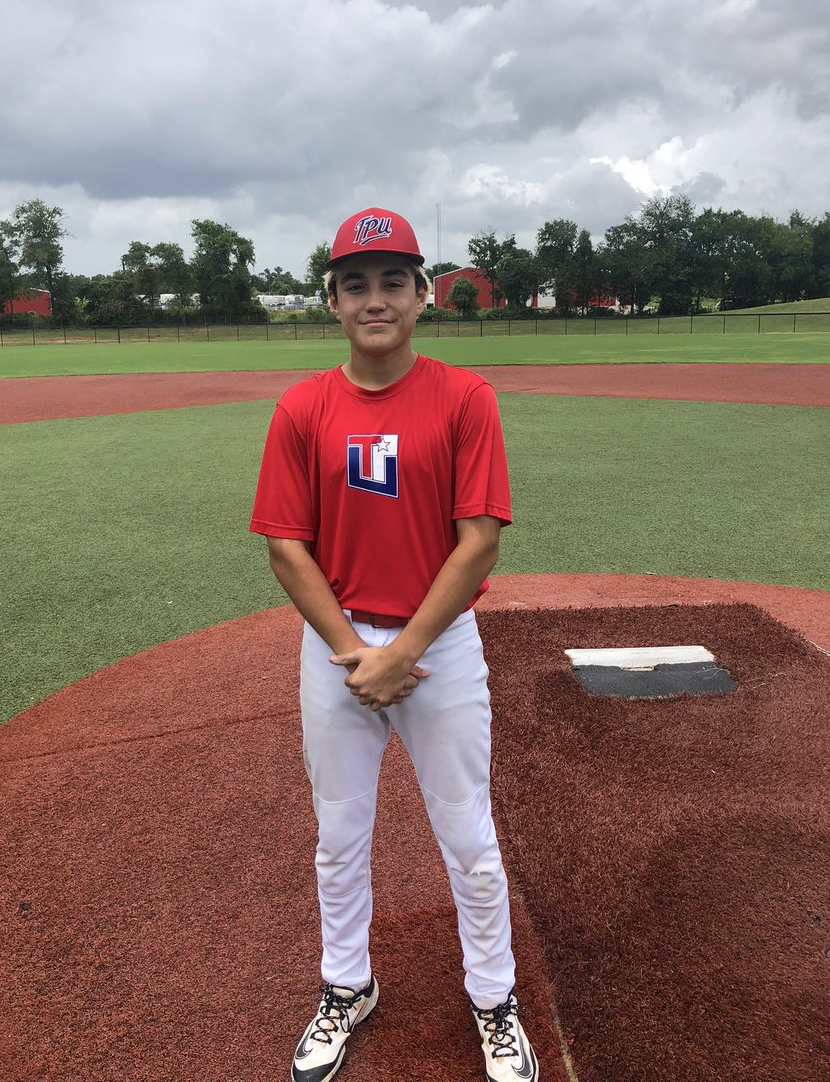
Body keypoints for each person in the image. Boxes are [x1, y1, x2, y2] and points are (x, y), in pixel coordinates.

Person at [250, 207, 538, 1082]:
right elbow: (284, 544)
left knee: (468, 835)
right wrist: (354, 653)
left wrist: (404, 651)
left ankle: (494, 999)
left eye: (392, 282)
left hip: (438, 648)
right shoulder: (303, 406)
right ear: (332, 302)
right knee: (339, 836)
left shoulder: (464, 396)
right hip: (338, 649)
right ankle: (347, 985)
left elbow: (479, 537)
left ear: (421, 295)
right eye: (355, 284)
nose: (374, 299)